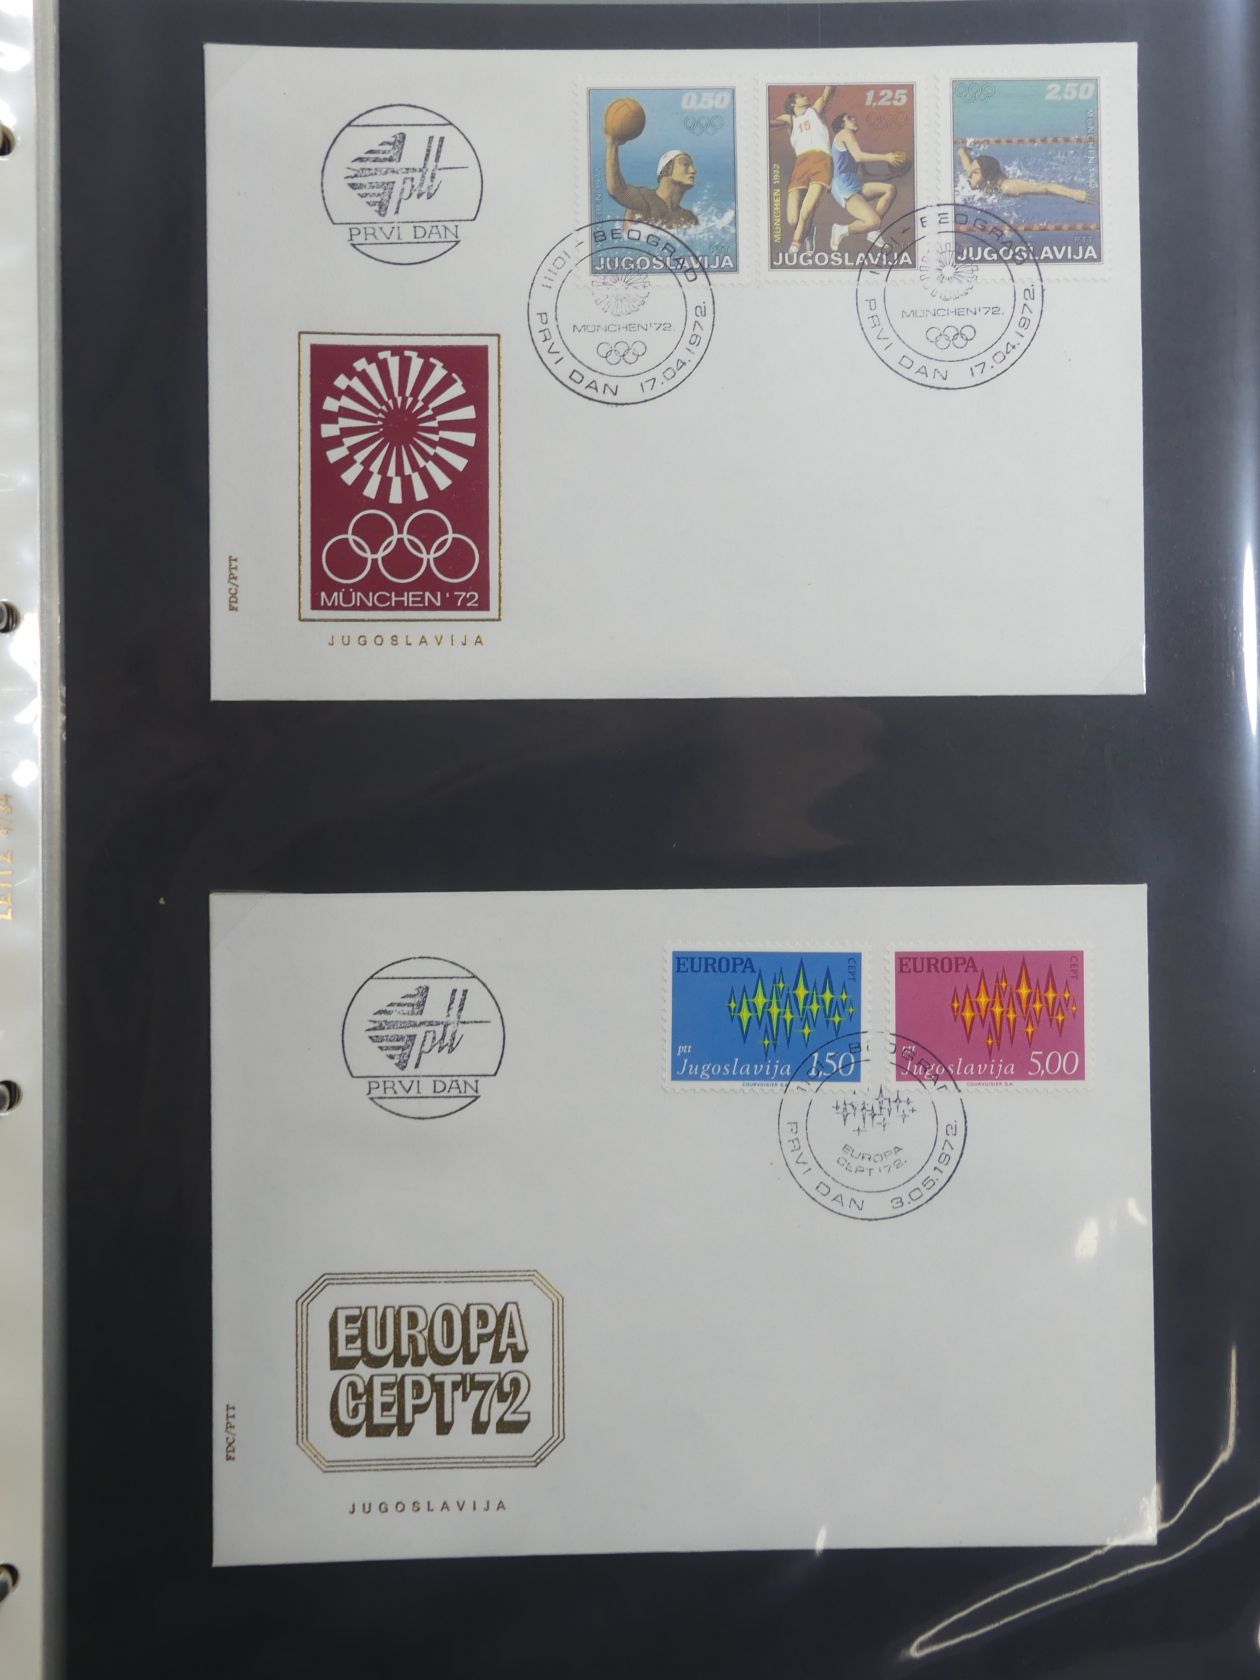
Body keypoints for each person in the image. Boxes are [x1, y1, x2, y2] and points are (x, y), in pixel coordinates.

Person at [828, 113, 908, 249]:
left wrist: (893, 175)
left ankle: (873, 232)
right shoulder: (845, 133)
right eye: (849, 118)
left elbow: (867, 176)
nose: (854, 119)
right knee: (874, 222)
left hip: (856, 184)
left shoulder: (850, 144)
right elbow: (859, 157)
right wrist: (886, 157)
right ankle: (841, 230)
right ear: (842, 124)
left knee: (890, 189)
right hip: (844, 187)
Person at [769, 87, 834, 255]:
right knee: (793, 219)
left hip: (821, 160)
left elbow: (827, 93)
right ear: (793, 103)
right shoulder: (789, 119)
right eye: (801, 96)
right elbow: (770, 124)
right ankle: (809, 231)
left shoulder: (815, 110)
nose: (806, 96)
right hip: (801, 164)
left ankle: (795, 245)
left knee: (807, 210)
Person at [604, 134, 699, 230]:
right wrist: (612, 145)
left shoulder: (688, 218)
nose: (693, 170)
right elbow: (616, 190)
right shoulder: (644, 198)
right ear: (666, 170)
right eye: (685, 164)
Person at [958, 143, 1092, 203]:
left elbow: (1045, 187)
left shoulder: (1008, 187)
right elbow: (966, 163)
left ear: (988, 176)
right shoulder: (975, 177)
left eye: (975, 173)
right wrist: (962, 150)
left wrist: (1074, 193)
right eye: (972, 172)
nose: (969, 176)